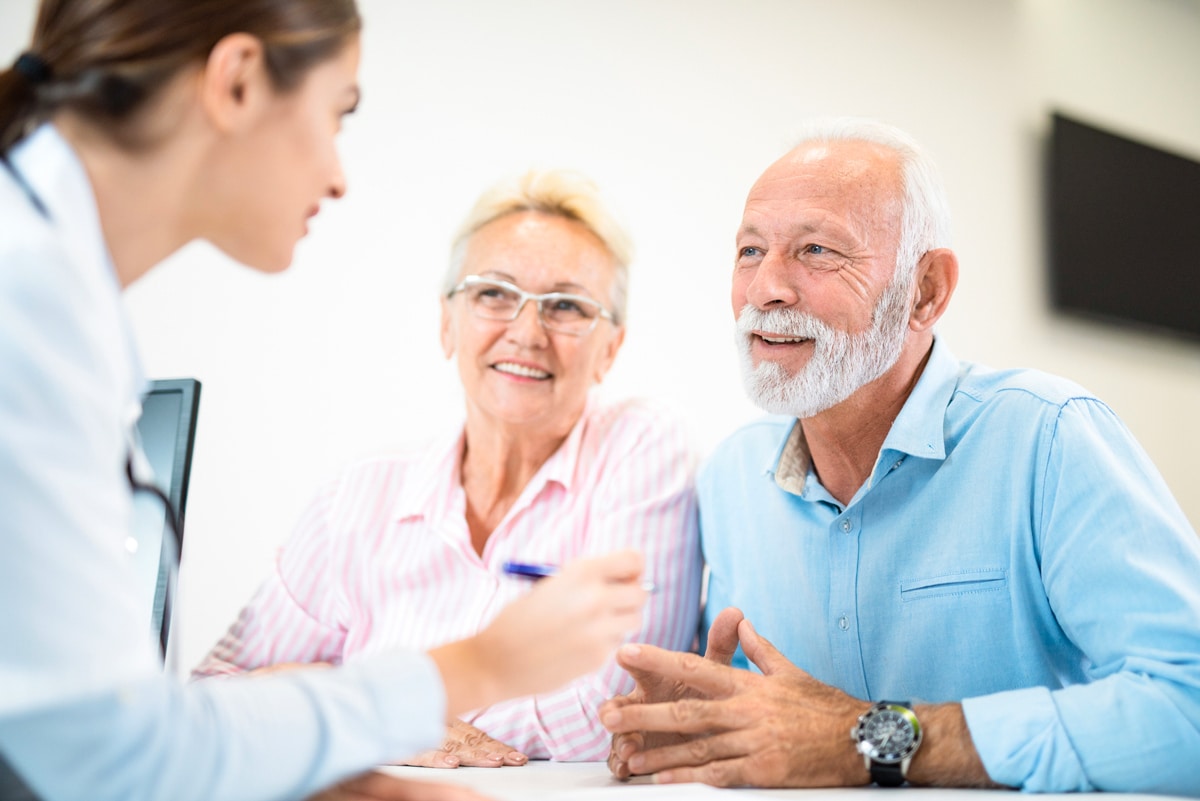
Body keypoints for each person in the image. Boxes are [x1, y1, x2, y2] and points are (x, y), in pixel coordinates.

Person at [0, 3, 653, 800]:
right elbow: (112, 755)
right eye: (338, 113)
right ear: (237, 81)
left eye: (566, 306)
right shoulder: (26, 303)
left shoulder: (57, 298)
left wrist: (351, 779)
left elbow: (98, 733)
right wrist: (471, 669)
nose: (340, 175)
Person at [599, 117, 1200, 796]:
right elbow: (767, 722)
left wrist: (870, 737)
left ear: (927, 291)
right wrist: (688, 730)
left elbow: (1188, 707)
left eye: (817, 249)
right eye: (749, 250)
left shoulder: (1049, 437)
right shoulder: (731, 476)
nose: (765, 287)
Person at [191, 168, 704, 767]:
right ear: (446, 322)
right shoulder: (358, 495)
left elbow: (617, 712)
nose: (527, 332)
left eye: (566, 306)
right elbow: (210, 697)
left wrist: (352, 708)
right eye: (494, 293)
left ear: (609, 349)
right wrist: (386, 715)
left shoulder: (642, 448)